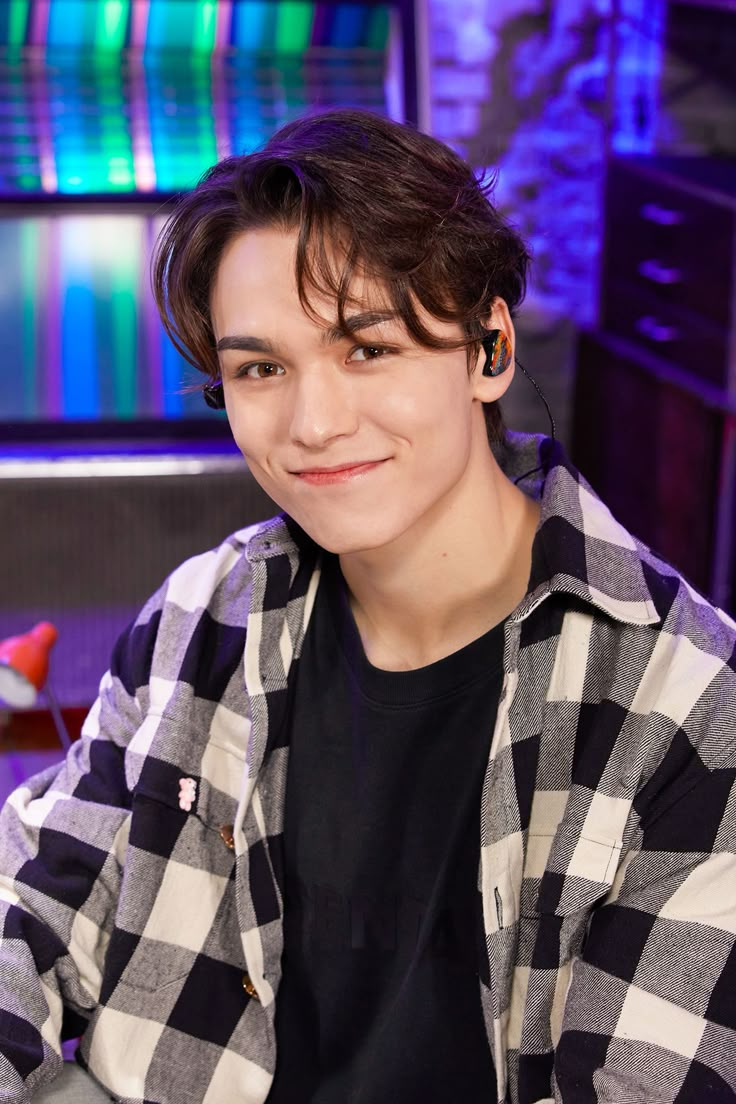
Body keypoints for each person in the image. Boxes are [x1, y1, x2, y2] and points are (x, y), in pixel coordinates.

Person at [1, 109, 735, 1104]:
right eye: (262, 368)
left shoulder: (691, 711)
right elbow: (32, 900)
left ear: (489, 348)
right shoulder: (205, 613)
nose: (312, 423)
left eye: (366, 349)